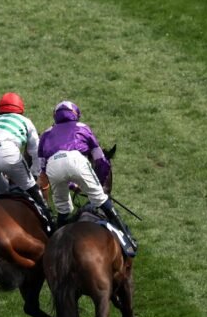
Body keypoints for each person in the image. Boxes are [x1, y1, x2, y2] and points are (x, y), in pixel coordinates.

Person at [38, 100, 137, 254]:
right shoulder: (82, 127)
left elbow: (42, 167)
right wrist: (97, 182)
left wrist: (71, 185)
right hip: (76, 161)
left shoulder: (46, 133)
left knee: (63, 208)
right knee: (100, 198)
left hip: (53, 166)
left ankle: (55, 245)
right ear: (75, 114)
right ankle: (127, 237)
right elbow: (101, 159)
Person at [0, 93, 51, 221]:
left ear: (0, 109)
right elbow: (35, 150)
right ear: (20, 109)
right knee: (31, 187)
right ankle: (49, 220)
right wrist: (35, 173)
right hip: (8, 153)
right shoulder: (25, 121)